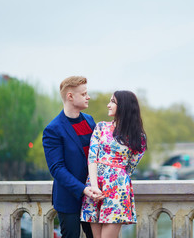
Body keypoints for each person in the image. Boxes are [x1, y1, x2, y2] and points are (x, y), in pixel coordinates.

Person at [80, 90, 147, 238]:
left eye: (112, 102)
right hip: (94, 188)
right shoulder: (101, 127)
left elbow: (130, 168)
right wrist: (95, 187)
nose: (108, 105)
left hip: (117, 190)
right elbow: (92, 158)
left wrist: (115, 178)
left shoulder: (139, 137)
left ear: (123, 106)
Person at [43, 76, 101, 238]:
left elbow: (98, 156)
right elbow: (57, 169)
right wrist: (83, 189)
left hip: (93, 198)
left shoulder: (90, 121)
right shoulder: (53, 129)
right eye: (83, 94)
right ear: (70, 96)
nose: (88, 97)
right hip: (69, 198)